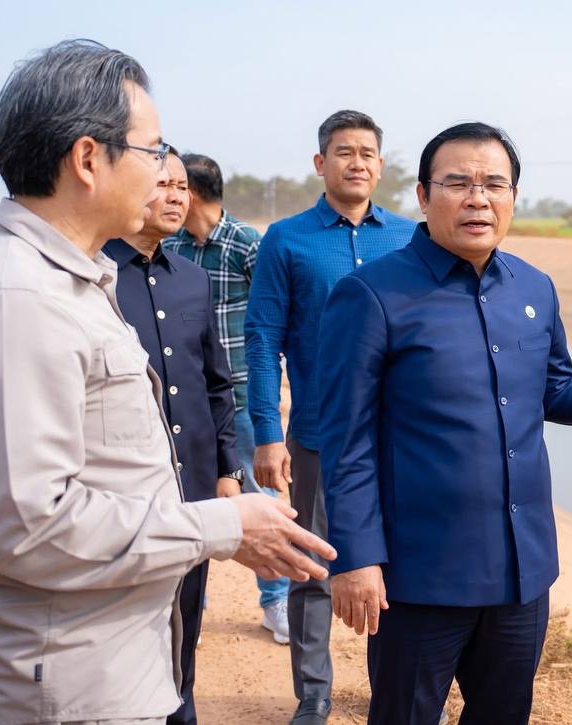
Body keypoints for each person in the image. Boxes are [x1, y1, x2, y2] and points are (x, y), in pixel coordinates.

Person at [0, 39, 335, 724]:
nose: (166, 174)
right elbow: (30, 528)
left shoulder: (74, 282)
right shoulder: (21, 301)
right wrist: (219, 525)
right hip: (62, 689)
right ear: (88, 159)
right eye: (152, 149)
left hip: (104, 672)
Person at [316, 122, 572, 725]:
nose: (477, 198)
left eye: (493, 184)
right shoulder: (372, 296)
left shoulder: (534, 287)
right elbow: (345, 440)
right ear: (424, 196)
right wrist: (355, 557)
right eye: (458, 183)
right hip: (419, 574)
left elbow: (555, 391)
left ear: (513, 196)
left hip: (520, 572)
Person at [246, 109, 417, 724]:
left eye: (368, 153)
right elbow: (262, 337)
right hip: (319, 436)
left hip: (401, 436)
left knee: (399, 566)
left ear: (381, 165)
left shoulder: (410, 237)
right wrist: (268, 434)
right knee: (314, 567)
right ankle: (314, 693)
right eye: (345, 152)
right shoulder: (286, 239)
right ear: (321, 163)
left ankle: (390, 688)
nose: (357, 163)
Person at [105, 150, 244, 724]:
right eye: (162, 183)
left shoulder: (193, 279)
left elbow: (216, 384)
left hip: (193, 486)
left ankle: (181, 710)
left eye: (182, 187)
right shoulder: (94, 277)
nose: (176, 197)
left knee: (187, 614)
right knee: (127, 623)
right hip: (126, 494)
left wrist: (228, 469)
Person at [166, 152, 291, 642]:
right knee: (184, 498)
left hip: (238, 395)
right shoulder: (171, 245)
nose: (168, 196)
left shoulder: (246, 244)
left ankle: (276, 600)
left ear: (193, 193)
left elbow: (272, 322)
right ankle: (188, 606)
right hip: (183, 397)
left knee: (258, 495)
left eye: (176, 187)